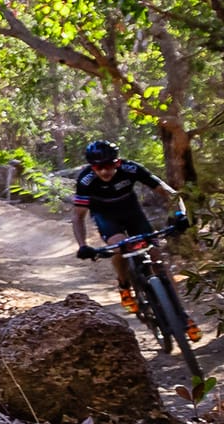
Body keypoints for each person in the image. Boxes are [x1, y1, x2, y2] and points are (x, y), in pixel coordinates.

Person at [72, 138, 191, 330]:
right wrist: (83, 245)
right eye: (98, 167)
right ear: (91, 167)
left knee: (157, 258)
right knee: (120, 246)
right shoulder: (85, 180)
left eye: (109, 165)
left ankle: (181, 314)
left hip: (132, 213)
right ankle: (124, 285)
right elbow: (78, 216)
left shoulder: (131, 169)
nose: (104, 171)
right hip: (106, 216)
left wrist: (181, 214)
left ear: (117, 162)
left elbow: (170, 193)